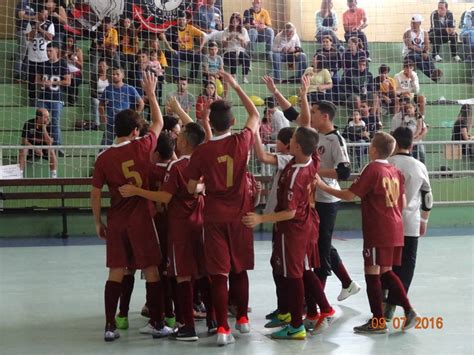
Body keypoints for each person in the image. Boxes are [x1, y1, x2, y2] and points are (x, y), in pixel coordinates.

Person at [262, 76, 359, 305]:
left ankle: (316, 303)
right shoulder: (312, 135)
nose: (311, 115)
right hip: (311, 199)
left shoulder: (336, 140)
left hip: (326, 199)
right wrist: (275, 91)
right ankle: (346, 283)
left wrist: (316, 173)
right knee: (316, 245)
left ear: (325, 116)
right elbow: (293, 114)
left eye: (315, 112)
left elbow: (344, 173)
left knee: (320, 249)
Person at [91, 72, 173, 342]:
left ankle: (110, 325)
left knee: (116, 270)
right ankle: (158, 322)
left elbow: (94, 193)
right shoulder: (143, 144)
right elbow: (160, 122)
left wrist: (97, 222)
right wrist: (150, 92)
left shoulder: (103, 157)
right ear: (135, 131)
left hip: (116, 220)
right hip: (141, 217)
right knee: (151, 268)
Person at [316, 131, 420, 333]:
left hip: (379, 228)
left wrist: (321, 185)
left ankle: (378, 321)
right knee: (386, 271)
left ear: (373, 149)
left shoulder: (373, 169)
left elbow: (348, 195)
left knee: (372, 273)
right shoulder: (395, 171)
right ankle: (408, 310)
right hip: (396, 227)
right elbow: (404, 202)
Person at [119, 122, 214, 341]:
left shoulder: (176, 167)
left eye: (180, 137)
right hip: (201, 221)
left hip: (178, 225)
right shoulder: (204, 161)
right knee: (202, 272)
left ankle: (184, 325)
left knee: (180, 275)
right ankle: (213, 321)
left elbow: (165, 197)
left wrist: (136, 190)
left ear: (183, 142)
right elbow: (201, 187)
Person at [185, 70, 260, 346]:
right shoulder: (241, 141)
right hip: (241, 216)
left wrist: (205, 186)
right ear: (232, 121)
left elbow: (192, 188)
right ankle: (242, 319)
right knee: (240, 270)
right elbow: (255, 115)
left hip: (214, 217)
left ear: (210, 123)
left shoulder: (202, 151)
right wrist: (235, 85)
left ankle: (222, 330)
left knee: (219, 274)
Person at [242, 125, 334, 339]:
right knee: (302, 270)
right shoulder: (310, 160)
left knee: (293, 275)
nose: (289, 140)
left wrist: (260, 218)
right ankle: (317, 311)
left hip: (294, 230)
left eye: (292, 139)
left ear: (298, 146)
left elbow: (290, 212)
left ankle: (296, 325)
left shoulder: (296, 174)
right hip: (306, 225)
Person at [384, 127, 432, 320]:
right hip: (410, 223)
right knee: (405, 266)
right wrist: (424, 219)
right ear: (411, 145)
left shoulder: (385, 163)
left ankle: (383, 300)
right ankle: (394, 305)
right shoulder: (419, 166)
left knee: (385, 264)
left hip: (386, 223)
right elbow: (427, 196)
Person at [36, 42, 70, 150]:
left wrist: (53, 83)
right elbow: (36, 79)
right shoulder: (43, 64)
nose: (48, 52)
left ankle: (58, 148)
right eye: (47, 51)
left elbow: (68, 81)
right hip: (43, 97)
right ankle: (41, 146)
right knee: (40, 122)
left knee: (55, 122)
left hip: (56, 99)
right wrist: (41, 82)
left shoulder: (62, 64)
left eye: (50, 50)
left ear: (57, 51)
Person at [99, 67, 144, 145]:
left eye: (117, 74)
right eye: (113, 74)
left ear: (122, 75)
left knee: (127, 144)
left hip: (126, 123)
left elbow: (141, 103)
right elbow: (101, 104)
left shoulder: (130, 89)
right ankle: (101, 156)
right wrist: (102, 115)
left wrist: (136, 115)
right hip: (112, 122)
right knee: (105, 145)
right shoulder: (108, 89)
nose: (115, 76)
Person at [25, 5, 54, 103]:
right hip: (32, 58)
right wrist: (35, 29)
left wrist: (40, 29)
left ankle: (44, 99)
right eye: (44, 13)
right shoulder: (31, 23)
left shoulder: (50, 24)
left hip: (44, 58)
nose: (46, 16)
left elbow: (50, 38)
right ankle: (32, 100)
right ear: (38, 13)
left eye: (47, 14)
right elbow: (28, 37)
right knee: (31, 81)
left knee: (45, 79)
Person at [165, 11, 205, 81]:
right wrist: (169, 47)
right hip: (177, 52)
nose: (181, 21)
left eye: (183, 19)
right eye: (180, 19)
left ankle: (192, 78)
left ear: (186, 20)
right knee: (172, 55)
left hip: (189, 52)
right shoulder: (172, 28)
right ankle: (176, 79)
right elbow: (162, 35)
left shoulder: (191, 28)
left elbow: (203, 35)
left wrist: (200, 48)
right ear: (177, 20)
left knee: (199, 56)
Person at [18, 108, 57, 178]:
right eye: (46, 117)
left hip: (44, 148)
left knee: (51, 149)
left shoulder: (49, 125)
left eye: (48, 116)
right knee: (23, 150)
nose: (48, 119)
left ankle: (54, 175)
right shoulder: (28, 124)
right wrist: (35, 149)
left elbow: (49, 142)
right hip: (31, 147)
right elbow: (24, 141)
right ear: (39, 118)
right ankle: (20, 174)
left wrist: (44, 128)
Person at [402, 14, 443, 82]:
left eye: (414, 23)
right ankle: (431, 76)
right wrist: (422, 52)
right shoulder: (407, 32)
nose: (412, 24)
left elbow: (427, 45)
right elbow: (410, 46)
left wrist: (425, 53)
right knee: (417, 57)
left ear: (419, 23)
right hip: (408, 54)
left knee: (427, 57)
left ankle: (434, 72)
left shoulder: (424, 33)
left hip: (420, 53)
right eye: (411, 22)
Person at [222, 12, 251, 83]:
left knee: (246, 57)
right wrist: (229, 38)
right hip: (228, 51)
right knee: (233, 57)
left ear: (239, 22)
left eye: (237, 21)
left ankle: (245, 77)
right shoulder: (226, 30)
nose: (235, 23)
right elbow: (223, 46)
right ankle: (233, 76)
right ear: (231, 22)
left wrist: (240, 39)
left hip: (240, 50)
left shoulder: (243, 30)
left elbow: (245, 46)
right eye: (233, 21)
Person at [13, 0, 36, 80]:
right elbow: (21, 15)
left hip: (30, 31)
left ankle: (24, 75)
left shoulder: (33, 4)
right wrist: (34, 17)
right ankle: (17, 74)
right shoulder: (23, 2)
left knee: (27, 55)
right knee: (21, 54)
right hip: (23, 29)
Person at [62, 36, 83, 106]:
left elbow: (81, 66)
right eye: (68, 41)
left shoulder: (78, 50)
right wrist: (63, 57)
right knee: (66, 80)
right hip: (65, 73)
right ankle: (71, 100)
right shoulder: (62, 51)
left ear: (74, 42)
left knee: (73, 81)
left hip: (76, 73)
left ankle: (72, 100)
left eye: (71, 41)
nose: (69, 43)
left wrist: (74, 59)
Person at [91, 58, 110, 126]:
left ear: (107, 67)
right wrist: (100, 97)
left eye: (103, 66)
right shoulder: (94, 76)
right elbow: (92, 91)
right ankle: (97, 124)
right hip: (97, 96)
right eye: (99, 66)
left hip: (108, 96)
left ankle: (110, 122)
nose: (101, 68)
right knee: (96, 102)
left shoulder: (110, 77)